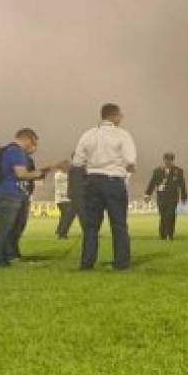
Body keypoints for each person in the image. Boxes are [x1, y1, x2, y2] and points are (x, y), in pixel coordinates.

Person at [73, 103, 138, 271]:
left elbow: (77, 162)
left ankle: (87, 262)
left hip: (92, 181)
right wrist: (128, 167)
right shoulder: (122, 135)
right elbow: (130, 160)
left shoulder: (88, 134)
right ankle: (121, 263)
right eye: (120, 116)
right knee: (119, 224)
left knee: (91, 226)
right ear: (115, 116)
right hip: (113, 182)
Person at [0, 129, 63, 268]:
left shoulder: (10, 151)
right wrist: (41, 171)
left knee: (11, 228)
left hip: (8, 194)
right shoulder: (16, 152)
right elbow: (22, 174)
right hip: (9, 194)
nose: (35, 147)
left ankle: (6, 256)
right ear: (29, 139)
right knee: (5, 228)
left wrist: (47, 168)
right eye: (34, 143)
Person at [145, 152, 187, 241]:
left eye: (170, 160)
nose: (168, 162)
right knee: (163, 216)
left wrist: (184, 197)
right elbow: (152, 183)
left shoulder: (178, 171)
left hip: (173, 198)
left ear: (173, 161)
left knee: (170, 215)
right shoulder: (157, 171)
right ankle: (163, 235)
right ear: (164, 160)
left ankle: (170, 234)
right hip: (161, 198)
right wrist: (147, 194)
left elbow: (182, 185)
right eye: (167, 160)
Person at [57, 159, 86, 240]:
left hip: (74, 195)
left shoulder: (73, 168)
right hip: (79, 195)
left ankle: (62, 233)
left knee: (70, 215)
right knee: (82, 215)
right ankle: (88, 232)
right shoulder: (80, 168)